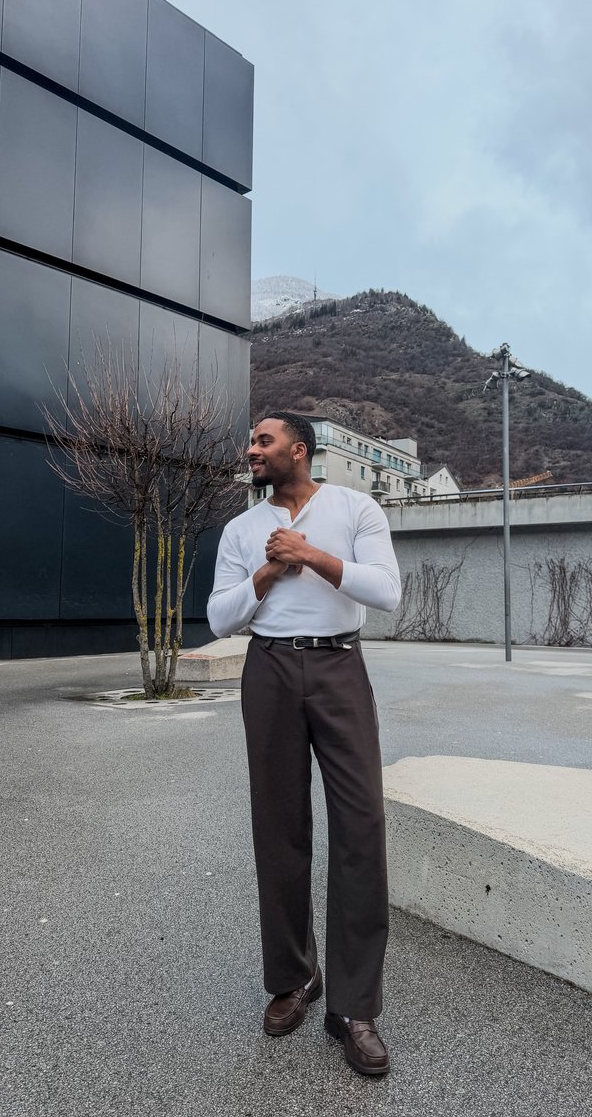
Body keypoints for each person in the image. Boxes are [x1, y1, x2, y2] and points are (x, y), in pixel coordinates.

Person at [207, 411, 401, 1076]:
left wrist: (310, 555)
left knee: (361, 824)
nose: (253, 450)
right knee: (280, 826)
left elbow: (388, 591)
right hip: (269, 669)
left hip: (340, 665)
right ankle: (295, 977)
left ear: (299, 448)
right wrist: (265, 574)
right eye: (252, 442)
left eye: (264, 440)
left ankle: (354, 1006)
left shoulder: (355, 506)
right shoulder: (241, 529)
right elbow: (217, 614)